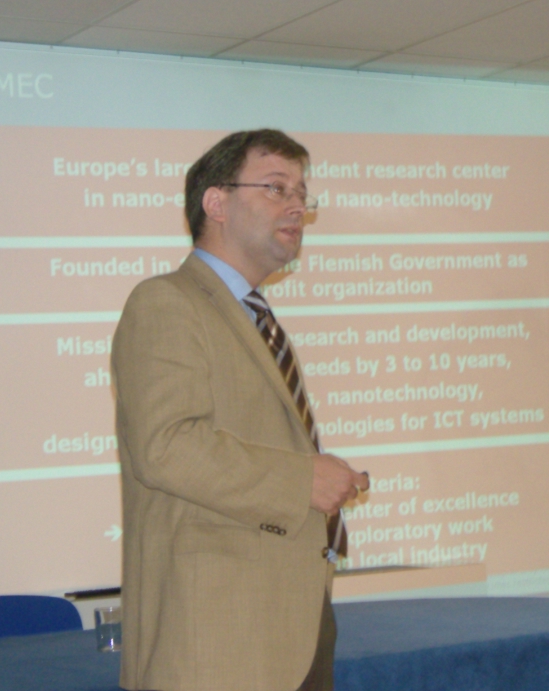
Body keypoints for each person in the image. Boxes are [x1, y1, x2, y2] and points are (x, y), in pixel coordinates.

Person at [112, 129, 369, 691]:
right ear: (216, 202)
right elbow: (166, 447)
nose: (297, 206)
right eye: (276, 188)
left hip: (293, 627)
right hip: (218, 641)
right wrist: (303, 479)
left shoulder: (256, 319)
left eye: (301, 193)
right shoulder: (166, 302)